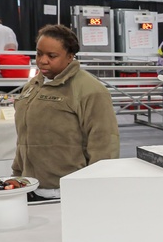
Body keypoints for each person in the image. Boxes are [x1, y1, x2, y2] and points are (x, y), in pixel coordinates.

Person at [12, 24, 120, 198]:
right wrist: (17, 175)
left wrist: (97, 189)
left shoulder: (90, 90)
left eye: (51, 56)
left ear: (70, 56)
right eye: (39, 53)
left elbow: (104, 143)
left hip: (66, 193)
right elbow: (24, 137)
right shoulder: (32, 86)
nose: (42, 60)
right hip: (29, 188)